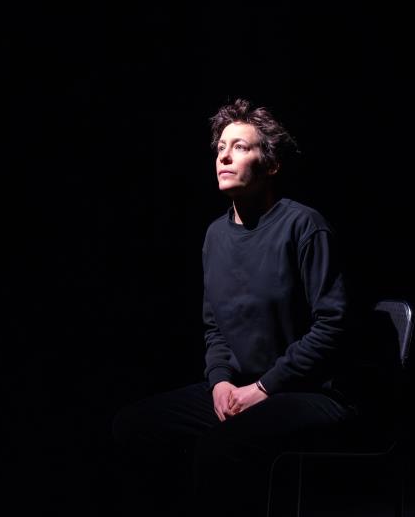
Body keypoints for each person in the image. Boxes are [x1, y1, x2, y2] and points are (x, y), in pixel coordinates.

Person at [112, 98, 359, 516]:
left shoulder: (303, 226)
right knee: (134, 426)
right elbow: (215, 328)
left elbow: (332, 325)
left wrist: (263, 388)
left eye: (240, 147)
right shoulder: (215, 236)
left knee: (221, 447)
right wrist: (220, 382)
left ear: (271, 164)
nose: (224, 156)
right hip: (239, 388)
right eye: (221, 148)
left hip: (308, 391)